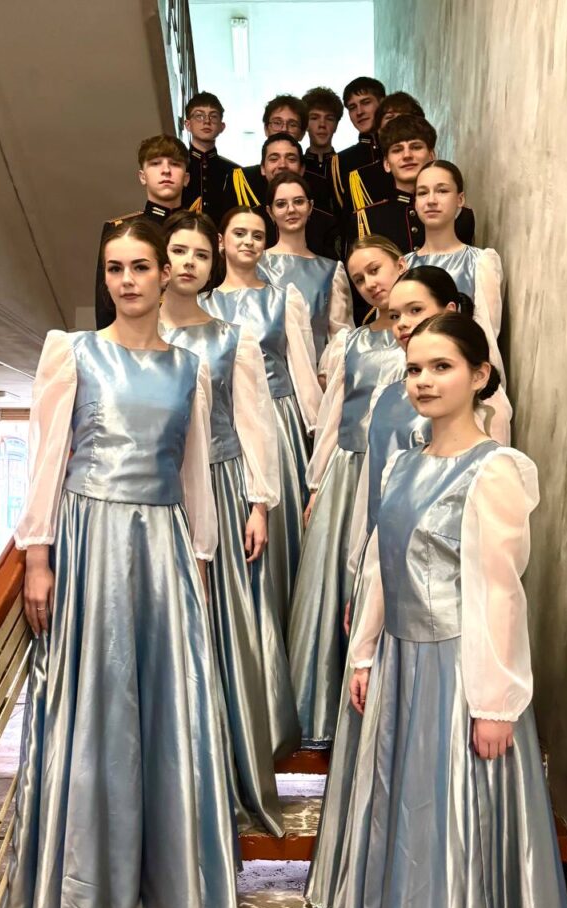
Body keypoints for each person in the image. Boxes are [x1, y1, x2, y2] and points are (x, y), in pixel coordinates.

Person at [319, 313, 567, 908]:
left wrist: (495, 703)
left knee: (450, 832)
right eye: (414, 368)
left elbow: (498, 591)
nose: (423, 381)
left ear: (479, 375)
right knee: (401, 829)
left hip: (457, 676)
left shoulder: (494, 470)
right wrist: (365, 651)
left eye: (441, 367)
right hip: (401, 666)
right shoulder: (402, 460)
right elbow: (380, 566)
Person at [7, 217, 238, 908]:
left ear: (166, 274)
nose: (128, 280)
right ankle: (90, 891)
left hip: (164, 547)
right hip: (90, 543)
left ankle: (165, 888)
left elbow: (195, 474)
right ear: (104, 276)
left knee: (167, 713)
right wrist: (37, 556)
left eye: (141, 266)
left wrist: (200, 560)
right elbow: (47, 459)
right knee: (96, 707)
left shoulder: (190, 368)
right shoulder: (72, 352)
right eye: (115, 268)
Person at [306, 266, 471, 908]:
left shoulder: (480, 407)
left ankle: (426, 897)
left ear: (450, 310)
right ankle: (363, 885)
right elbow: (373, 506)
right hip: (383, 582)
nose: (401, 325)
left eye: (416, 311)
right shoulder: (386, 394)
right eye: (396, 315)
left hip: (439, 608)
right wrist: (360, 574)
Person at [160, 210, 300, 829]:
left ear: (212, 260)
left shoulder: (230, 338)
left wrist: (258, 502)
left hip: (219, 485)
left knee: (221, 626)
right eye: (179, 252)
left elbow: (254, 421)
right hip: (153, 494)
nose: (189, 263)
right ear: (162, 261)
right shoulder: (131, 337)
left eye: (199, 254)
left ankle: (225, 763)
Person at [287, 236, 407, 745]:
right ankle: (328, 711)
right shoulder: (350, 343)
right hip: (350, 470)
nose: (370, 283)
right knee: (337, 583)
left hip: (401, 472)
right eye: (359, 279)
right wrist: (317, 483)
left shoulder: (426, 342)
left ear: (401, 264)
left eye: (376, 269)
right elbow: (333, 416)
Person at [200, 207, 322, 638]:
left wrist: (315, 433)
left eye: (256, 234)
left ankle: (281, 634)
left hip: (279, 418)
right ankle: (244, 631)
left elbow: (303, 369)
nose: (249, 241)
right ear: (221, 242)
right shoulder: (203, 303)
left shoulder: (284, 298)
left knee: (278, 524)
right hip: (224, 422)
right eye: (239, 233)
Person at [405, 159, 512, 441]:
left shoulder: (480, 262)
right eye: (422, 192)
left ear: (460, 199)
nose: (431, 200)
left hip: (464, 391)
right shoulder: (403, 265)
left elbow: (486, 335)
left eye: (442, 191)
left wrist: (487, 394)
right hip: (414, 388)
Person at [258, 170, 353, 371]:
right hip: (266, 379)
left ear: (310, 207)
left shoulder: (331, 270)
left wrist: (325, 375)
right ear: (270, 212)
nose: (291, 209)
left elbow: (341, 337)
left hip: (315, 379)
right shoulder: (256, 265)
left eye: (298, 202)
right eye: (281, 204)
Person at [94, 134, 189, 329]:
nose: (166, 170)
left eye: (175, 164)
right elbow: (106, 304)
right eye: (155, 163)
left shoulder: (200, 230)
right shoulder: (120, 229)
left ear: (186, 178)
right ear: (142, 176)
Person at [348, 115, 475, 252]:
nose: (407, 155)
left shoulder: (461, 216)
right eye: (397, 150)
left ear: (431, 156)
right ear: (386, 164)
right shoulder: (365, 220)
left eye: (416, 147)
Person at [224, 134, 340, 259]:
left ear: (302, 169)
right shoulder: (247, 221)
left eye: (291, 159)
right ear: (263, 168)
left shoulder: (326, 224)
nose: (282, 165)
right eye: (274, 159)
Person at [223, 95, 308, 211]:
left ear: (302, 133)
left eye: (292, 124)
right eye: (277, 123)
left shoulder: (316, 182)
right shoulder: (241, 180)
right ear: (266, 129)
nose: (284, 129)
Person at [349, 91, 427, 210]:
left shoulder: (441, 173)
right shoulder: (361, 180)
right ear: (379, 129)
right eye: (390, 118)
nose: (397, 124)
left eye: (404, 118)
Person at [182, 91, 241, 225]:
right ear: (188, 124)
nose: (207, 121)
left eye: (213, 116)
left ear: (222, 126)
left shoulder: (235, 172)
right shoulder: (177, 167)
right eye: (199, 116)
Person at [331, 77, 386, 212]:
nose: (359, 112)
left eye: (366, 102)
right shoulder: (341, 162)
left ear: (383, 103)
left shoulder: (402, 149)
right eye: (352, 107)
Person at [302, 86, 344, 216]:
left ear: (336, 125)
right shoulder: (296, 167)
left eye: (329, 118)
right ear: (305, 124)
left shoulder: (347, 165)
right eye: (314, 118)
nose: (322, 125)